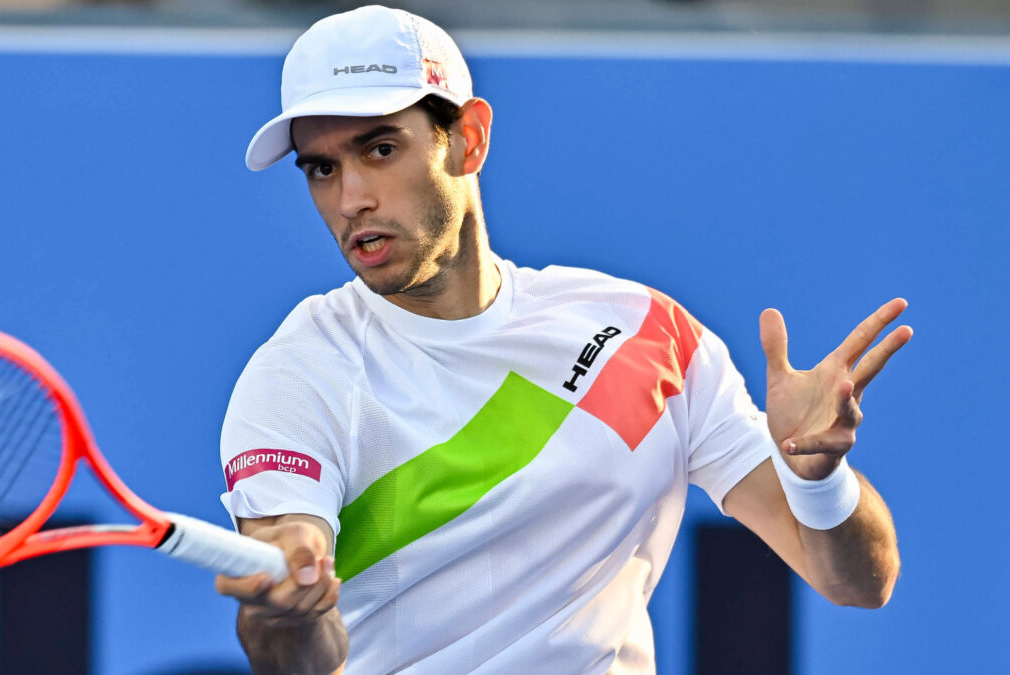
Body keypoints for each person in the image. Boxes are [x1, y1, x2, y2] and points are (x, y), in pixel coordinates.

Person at [212, 6, 911, 673]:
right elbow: (301, 661)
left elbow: (859, 582)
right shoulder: (298, 377)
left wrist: (817, 480)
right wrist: (288, 612)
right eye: (321, 168)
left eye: (380, 149)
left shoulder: (646, 334)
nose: (350, 198)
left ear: (469, 139)